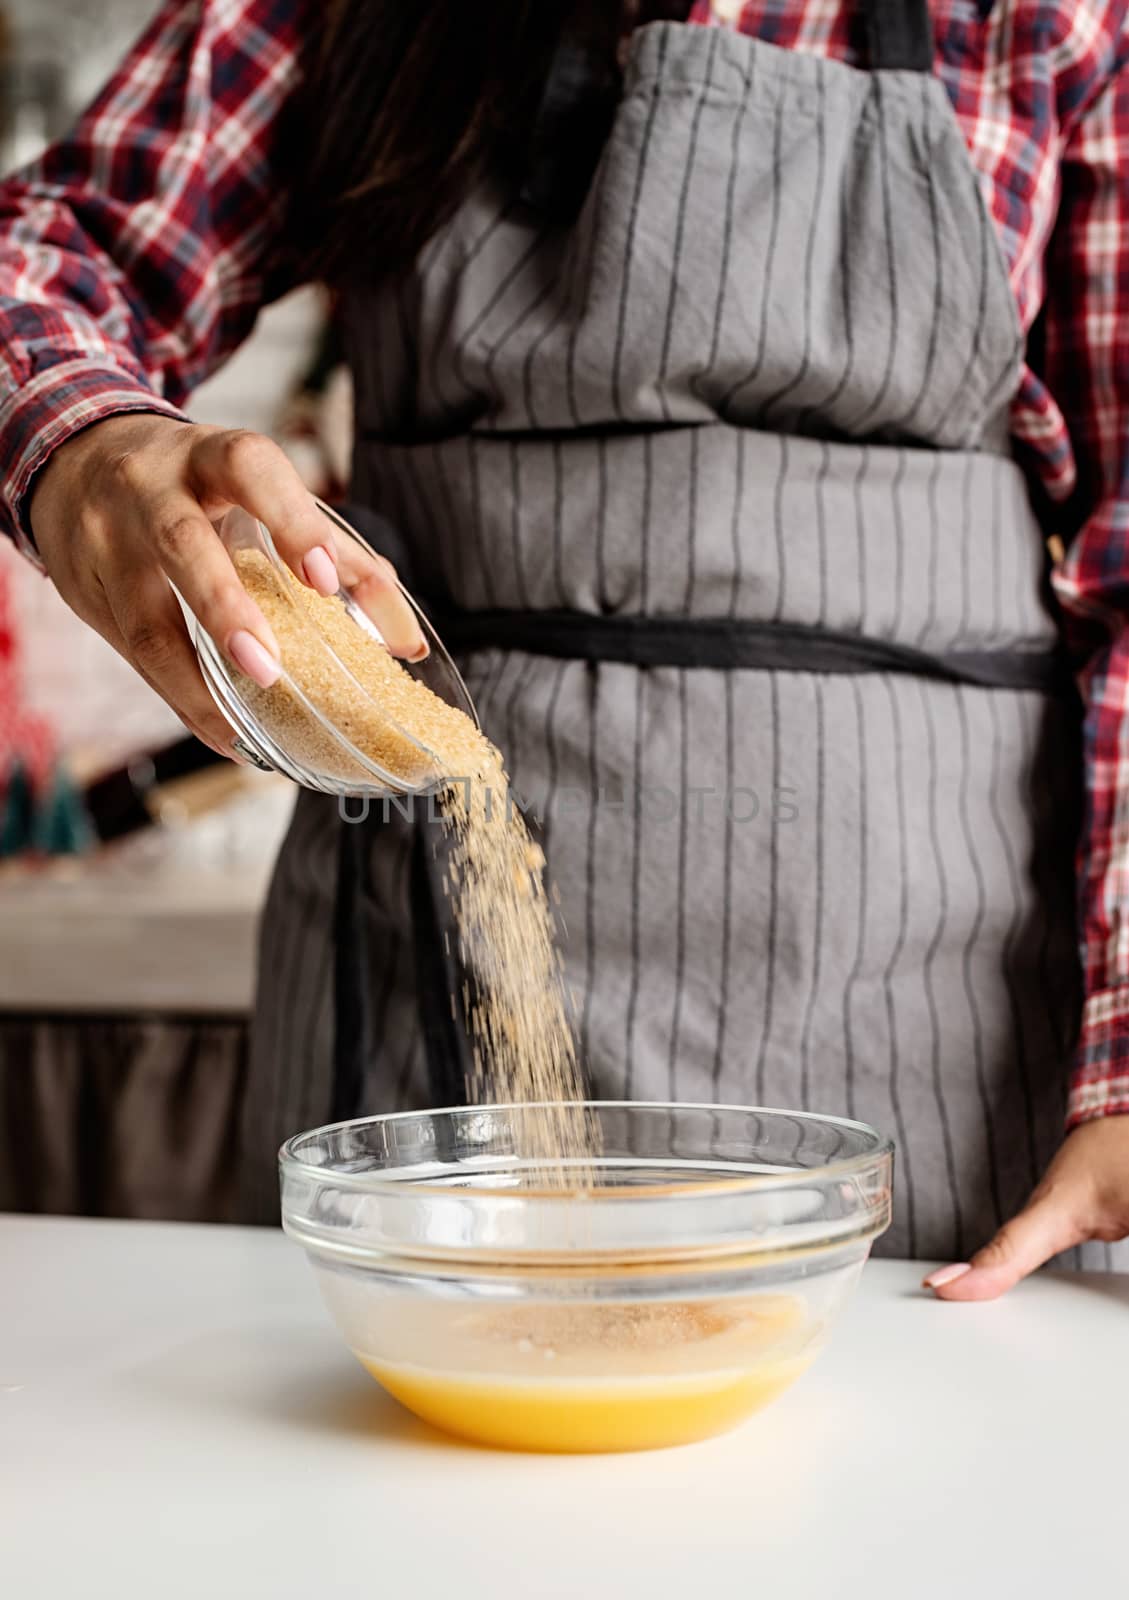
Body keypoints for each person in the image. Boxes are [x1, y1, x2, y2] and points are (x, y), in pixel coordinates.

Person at [3, 0, 1128, 1291]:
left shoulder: (1057, 20)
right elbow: (44, 252)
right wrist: (82, 438)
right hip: (423, 1020)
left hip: (943, 1063)